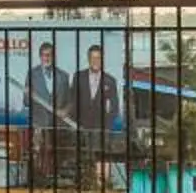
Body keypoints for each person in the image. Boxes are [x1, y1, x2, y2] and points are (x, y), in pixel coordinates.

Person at [71, 43, 124, 182]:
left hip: (101, 130)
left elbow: (115, 108)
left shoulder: (110, 81)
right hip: (81, 129)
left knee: (101, 159)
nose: (96, 61)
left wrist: (105, 126)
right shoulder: (78, 77)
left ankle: (102, 184)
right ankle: (85, 183)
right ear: (88, 59)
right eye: (93, 58)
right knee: (83, 160)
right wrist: (76, 124)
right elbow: (72, 101)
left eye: (98, 58)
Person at [24, 41, 66, 183]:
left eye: (49, 55)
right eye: (44, 55)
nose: (46, 58)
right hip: (38, 122)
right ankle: (38, 178)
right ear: (40, 57)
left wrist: (64, 111)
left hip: (57, 125)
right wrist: (29, 95)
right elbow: (26, 101)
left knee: (54, 151)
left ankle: (53, 176)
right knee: (38, 151)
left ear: (54, 56)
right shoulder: (32, 74)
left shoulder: (63, 76)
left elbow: (67, 101)